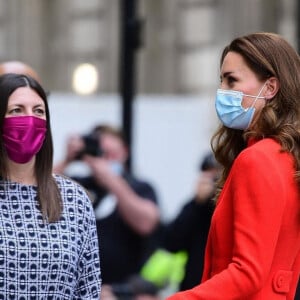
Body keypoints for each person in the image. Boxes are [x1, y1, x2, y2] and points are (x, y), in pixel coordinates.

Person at [167, 32, 300, 300]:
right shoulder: (287, 158)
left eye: (232, 80)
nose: (222, 92)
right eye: (221, 81)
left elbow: (247, 273)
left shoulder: (257, 160)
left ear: (271, 87)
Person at [0, 73, 101, 298]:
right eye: (17, 110)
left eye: (38, 111)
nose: (30, 119)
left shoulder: (74, 200)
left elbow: (88, 289)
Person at [54, 124, 160, 294]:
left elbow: (146, 223)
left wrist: (109, 177)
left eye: (112, 154)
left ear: (125, 152)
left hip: (123, 290)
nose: (105, 160)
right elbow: (37, 191)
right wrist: (68, 160)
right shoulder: (78, 185)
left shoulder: (140, 187)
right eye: (102, 154)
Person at [162, 152, 221, 291]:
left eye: (216, 174)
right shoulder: (195, 206)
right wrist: (198, 202)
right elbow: (171, 242)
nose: (212, 181)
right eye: (208, 174)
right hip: (193, 287)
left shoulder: (230, 206)